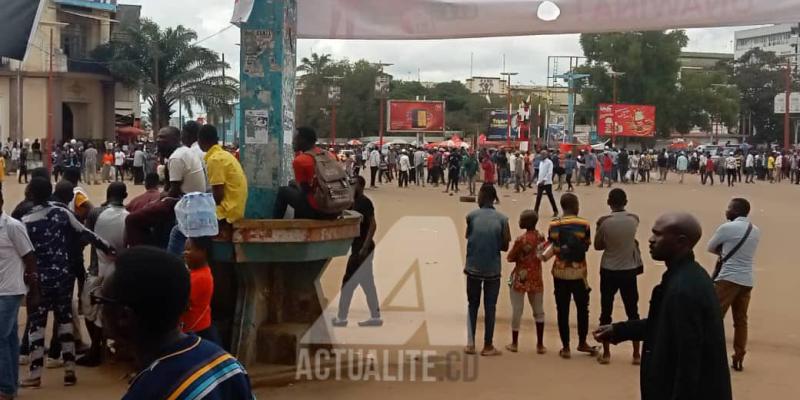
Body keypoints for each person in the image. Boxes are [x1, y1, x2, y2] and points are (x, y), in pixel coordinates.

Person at [594, 212, 732, 400]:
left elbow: (689, 362)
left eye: (658, 235)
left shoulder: (684, 290)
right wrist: (620, 330)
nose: (651, 240)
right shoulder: (685, 277)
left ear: (681, 242)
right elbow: (663, 324)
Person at [97, 247, 254, 399]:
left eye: (101, 300)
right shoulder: (227, 364)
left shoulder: (149, 392)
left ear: (124, 316)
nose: (99, 309)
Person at [21, 177, 114, 388]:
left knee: (37, 325)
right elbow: (86, 233)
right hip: (63, 276)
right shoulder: (61, 212)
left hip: (40, 280)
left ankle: (35, 375)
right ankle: (70, 372)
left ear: (32, 194)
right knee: (64, 322)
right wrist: (108, 247)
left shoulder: (26, 221)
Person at [77, 182, 129, 367]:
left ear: (107, 195)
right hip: (118, 271)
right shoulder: (129, 216)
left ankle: (95, 349)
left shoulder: (95, 213)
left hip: (96, 269)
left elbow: (86, 238)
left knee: (90, 310)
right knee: (112, 310)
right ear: (125, 195)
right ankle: (113, 347)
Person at [707, 198, 760, 372]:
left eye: (729, 208)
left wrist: (724, 252)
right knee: (741, 320)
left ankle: (709, 354)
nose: (726, 211)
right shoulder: (755, 230)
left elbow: (711, 247)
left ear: (736, 210)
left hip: (728, 279)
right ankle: (739, 356)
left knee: (714, 317)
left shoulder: (727, 228)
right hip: (747, 280)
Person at [594, 189, 642, 365]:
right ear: (626, 201)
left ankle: (606, 353)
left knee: (606, 310)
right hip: (628, 269)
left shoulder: (604, 222)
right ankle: (636, 354)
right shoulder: (634, 219)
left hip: (609, 268)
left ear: (609, 202)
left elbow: (598, 246)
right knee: (632, 311)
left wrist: (600, 228)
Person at [0, 190, 39, 400]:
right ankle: (11, 385)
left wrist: (34, 291)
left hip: (10, 291)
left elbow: (30, 257)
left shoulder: (13, 227)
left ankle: (5, 389)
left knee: (1, 338)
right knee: (9, 340)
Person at [547, 193, 596, 359]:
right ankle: (582, 342)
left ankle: (566, 347)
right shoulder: (584, 224)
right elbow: (587, 246)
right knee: (583, 308)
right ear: (576, 205)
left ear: (562, 206)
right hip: (579, 272)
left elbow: (552, 246)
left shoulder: (554, 224)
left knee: (562, 309)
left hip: (560, 272)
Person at [464, 184, 510, 356]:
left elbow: (468, 236)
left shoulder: (471, 216)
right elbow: (505, 246)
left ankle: (470, 343)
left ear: (482, 197)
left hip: (473, 267)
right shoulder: (503, 219)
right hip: (492, 268)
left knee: (472, 306)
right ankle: (488, 345)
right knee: (490, 307)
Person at [332, 176, 381, 327]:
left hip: (362, 248)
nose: (351, 185)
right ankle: (375, 317)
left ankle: (342, 318)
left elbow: (372, 225)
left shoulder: (365, 202)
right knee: (367, 284)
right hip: (359, 248)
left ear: (360, 186)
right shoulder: (353, 202)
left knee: (348, 283)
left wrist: (364, 248)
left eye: (354, 183)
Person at [505, 210, 546, 354]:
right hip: (536, 276)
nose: (519, 221)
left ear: (526, 223)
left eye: (521, 219)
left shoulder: (520, 240)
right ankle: (540, 344)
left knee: (517, 309)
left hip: (520, 277)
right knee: (539, 311)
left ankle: (514, 343)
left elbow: (510, 257)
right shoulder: (541, 237)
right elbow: (543, 255)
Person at [274, 127, 337, 219]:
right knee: (293, 185)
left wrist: (296, 184)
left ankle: (276, 225)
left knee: (283, 191)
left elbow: (304, 191)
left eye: (295, 138)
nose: (292, 142)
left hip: (319, 211)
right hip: (335, 208)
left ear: (303, 140)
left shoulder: (300, 160)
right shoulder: (329, 155)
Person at [198, 125, 248, 225]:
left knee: (182, 229)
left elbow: (218, 196)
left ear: (201, 141)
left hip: (226, 213)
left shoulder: (215, 159)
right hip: (235, 209)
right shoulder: (225, 155)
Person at [181, 237, 221, 344]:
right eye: (185, 249)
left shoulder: (200, 277)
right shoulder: (196, 273)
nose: (185, 253)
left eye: (189, 249)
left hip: (197, 331)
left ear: (202, 252)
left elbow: (180, 303)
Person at [534, 150, 558, 217]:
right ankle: (535, 211)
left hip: (547, 183)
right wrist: (538, 181)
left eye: (542, 155)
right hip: (540, 183)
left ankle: (555, 211)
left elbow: (550, 172)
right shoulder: (541, 162)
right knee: (538, 197)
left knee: (550, 197)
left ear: (546, 155)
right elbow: (540, 172)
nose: (541, 156)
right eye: (541, 154)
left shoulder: (549, 162)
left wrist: (544, 180)